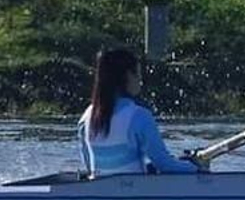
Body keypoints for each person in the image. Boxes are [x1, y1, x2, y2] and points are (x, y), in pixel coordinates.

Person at [77, 47, 201, 177]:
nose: (141, 81)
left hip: (99, 188)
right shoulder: (139, 116)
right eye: (139, 74)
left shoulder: (85, 118)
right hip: (135, 188)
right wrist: (195, 167)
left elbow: (91, 168)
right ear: (128, 76)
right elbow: (164, 165)